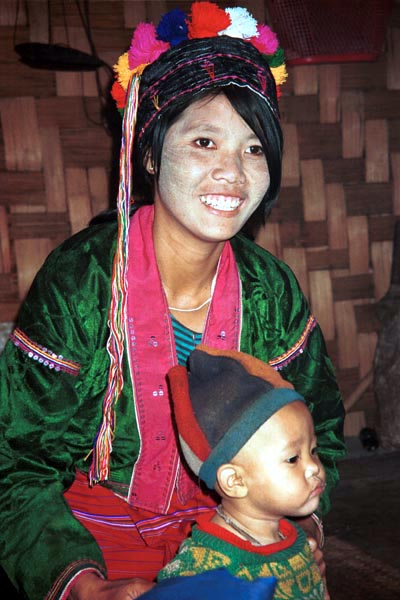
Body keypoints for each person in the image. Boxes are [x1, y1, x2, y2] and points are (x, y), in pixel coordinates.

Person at [0, 3, 345, 600]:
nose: (232, 173)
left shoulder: (272, 291)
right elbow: (16, 459)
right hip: (92, 535)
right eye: (205, 141)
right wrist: (84, 586)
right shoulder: (82, 281)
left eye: (254, 148)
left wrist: (302, 519)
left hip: (241, 530)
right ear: (152, 154)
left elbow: (324, 432)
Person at [158, 345, 327, 600]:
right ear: (235, 480)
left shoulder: (295, 540)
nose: (314, 466)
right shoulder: (203, 571)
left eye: (313, 450)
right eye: (293, 458)